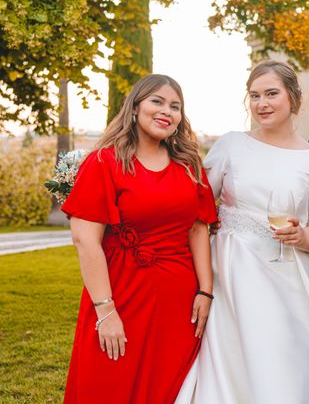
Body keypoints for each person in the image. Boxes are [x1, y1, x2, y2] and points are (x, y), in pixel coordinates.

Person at [176, 60, 309, 404]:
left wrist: (305, 237)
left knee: (281, 360)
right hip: (230, 272)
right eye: (254, 95)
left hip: (288, 275)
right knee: (231, 356)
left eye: (271, 94)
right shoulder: (231, 145)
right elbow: (196, 206)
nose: (262, 103)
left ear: (293, 98)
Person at [61, 75, 218, 403]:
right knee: (108, 383)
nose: (167, 112)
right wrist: (106, 311)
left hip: (178, 303)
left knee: (168, 387)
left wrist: (206, 289)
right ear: (135, 108)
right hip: (120, 294)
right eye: (157, 102)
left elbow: (197, 228)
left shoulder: (189, 165)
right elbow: (86, 241)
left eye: (175, 107)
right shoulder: (104, 162)